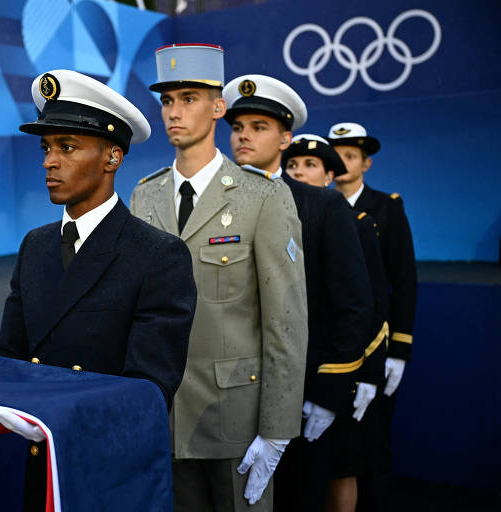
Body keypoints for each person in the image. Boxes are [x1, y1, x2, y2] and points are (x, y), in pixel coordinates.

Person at [0, 69, 198, 512]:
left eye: (67, 147)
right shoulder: (35, 245)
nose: (49, 161)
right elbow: (6, 357)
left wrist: (53, 421)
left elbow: (149, 389)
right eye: (46, 147)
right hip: (34, 463)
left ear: (112, 158)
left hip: (104, 471)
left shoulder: (158, 255)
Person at [130, 45, 308, 512]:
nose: (174, 112)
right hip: (165, 415)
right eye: (167, 100)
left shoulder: (261, 198)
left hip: (236, 418)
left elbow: (285, 324)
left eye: (189, 98)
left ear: (218, 107)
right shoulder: (145, 198)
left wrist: (276, 428)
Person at [221, 75, 373, 512]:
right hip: (229, 398)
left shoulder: (322, 207)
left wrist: (327, 392)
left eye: (258, 126)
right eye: (237, 126)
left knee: (297, 499)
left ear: (286, 138)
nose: (244, 135)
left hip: (301, 394)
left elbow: (352, 305)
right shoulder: (216, 202)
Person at [283, 134, 389, 512]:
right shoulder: (279, 215)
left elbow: (371, 303)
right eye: (292, 166)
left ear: (330, 176)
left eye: (309, 166)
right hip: (294, 366)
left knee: (341, 464)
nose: (298, 172)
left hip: (337, 363)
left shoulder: (357, 221)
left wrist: (368, 371)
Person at [327, 122, 417, 511]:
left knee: (372, 444)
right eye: (338, 156)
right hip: (333, 347)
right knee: (334, 452)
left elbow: (403, 280)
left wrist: (399, 349)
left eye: (351, 157)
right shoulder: (318, 204)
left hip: (375, 344)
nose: (344, 164)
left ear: (367, 163)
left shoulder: (387, 208)